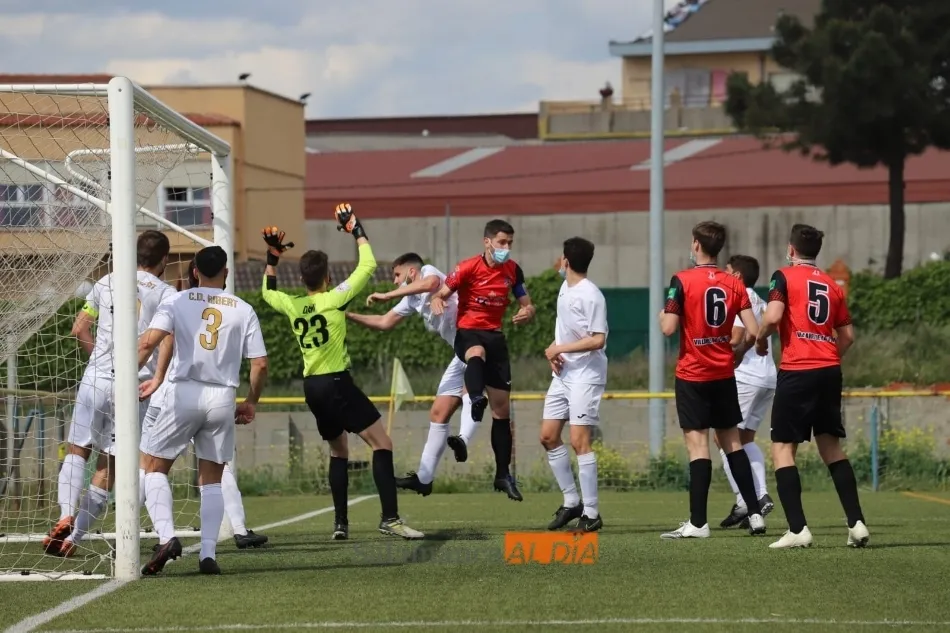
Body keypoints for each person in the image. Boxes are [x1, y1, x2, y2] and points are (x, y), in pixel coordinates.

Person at [260, 205, 423, 541]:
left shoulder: (293, 304)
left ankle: (340, 524)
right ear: (328, 278)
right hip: (336, 383)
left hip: (312, 388)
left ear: (302, 280)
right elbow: (368, 265)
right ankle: (390, 519)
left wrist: (273, 257)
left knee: (339, 451)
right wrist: (355, 229)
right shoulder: (334, 299)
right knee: (382, 443)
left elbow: (267, 293)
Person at [137, 245, 269, 575]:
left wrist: (127, 375)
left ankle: (167, 537)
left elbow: (148, 343)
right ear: (226, 272)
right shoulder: (243, 308)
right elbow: (261, 364)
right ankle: (208, 553)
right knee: (211, 479)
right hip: (222, 398)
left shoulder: (177, 300)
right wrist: (251, 402)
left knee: (153, 466)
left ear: (194, 271)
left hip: (184, 392)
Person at [44, 231, 176, 557]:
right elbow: (166, 338)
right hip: (135, 385)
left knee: (77, 450)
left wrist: (97, 363)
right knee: (109, 467)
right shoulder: (167, 293)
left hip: (96, 378)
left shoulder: (105, 282)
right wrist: (158, 377)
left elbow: (79, 328)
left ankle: (64, 514)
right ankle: (74, 537)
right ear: (163, 260)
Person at [755, 224, 868, 549]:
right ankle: (857, 523)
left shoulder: (784, 276)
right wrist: (829, 357)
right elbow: (848, 336)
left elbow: (774, 316)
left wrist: (761, 340)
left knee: (782, 448)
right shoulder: (832, 284)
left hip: (798, 370)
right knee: (830, 446)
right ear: (815, 252)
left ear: (791, 250)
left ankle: (798, 529)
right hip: (829, 370)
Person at [346, 253, 493, 496]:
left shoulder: (428, 272)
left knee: (471, 390)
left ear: (411, 272)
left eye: (396, 275)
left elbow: (432, 284)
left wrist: (386, 295)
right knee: (438, 412)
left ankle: (464, 439)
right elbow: (384, 321)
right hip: (460, 352)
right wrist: (347, 316)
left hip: (477, 341)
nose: (394, 282)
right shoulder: (411, 299)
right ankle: (424, 479)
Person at [658, 221, 766, 539]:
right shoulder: (734, 284)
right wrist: (738, 353)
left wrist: (663, 314)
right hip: (723, 374)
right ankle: (756, 513)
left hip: (693, 373)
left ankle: (698, 523)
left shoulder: (682, 280)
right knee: (733, 443)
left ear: (695, 245)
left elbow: (667, 328)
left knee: (697, 446)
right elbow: (754, 330)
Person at [430, 219, 536, 501]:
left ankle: (503, 475)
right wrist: (437, 301)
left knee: (502, 412)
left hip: (496, 336)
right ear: (487, 242)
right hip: (469, 332)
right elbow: (441, 293)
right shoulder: (466, 268)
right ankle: (476, 398)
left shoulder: (512, 271)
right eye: (502, 242)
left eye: (510, 243)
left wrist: (528, 312)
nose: (506, 248)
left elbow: (527, 303)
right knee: (476, 354)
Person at [540, 237, 607, 533]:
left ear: (566, 260)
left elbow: (597, 338)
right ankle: (571, 502)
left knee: (580, 442)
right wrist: (553, 349)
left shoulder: (592, 295)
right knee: (548, 436)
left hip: (585, 376)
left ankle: (591, 512)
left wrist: (561, 348)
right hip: (563, 374)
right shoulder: (565, 287)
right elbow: (566, 329)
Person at [714, 255, 776, 529]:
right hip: (766, 376)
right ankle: (757, 496)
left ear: (736, 275)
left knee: (723, 439)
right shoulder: (758, 298)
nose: (724, 275)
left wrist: (711, 348)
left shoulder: (742, 295)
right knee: (745, 438)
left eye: (727, 271)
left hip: (747, 377)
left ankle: (748, 498)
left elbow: (738, 338)